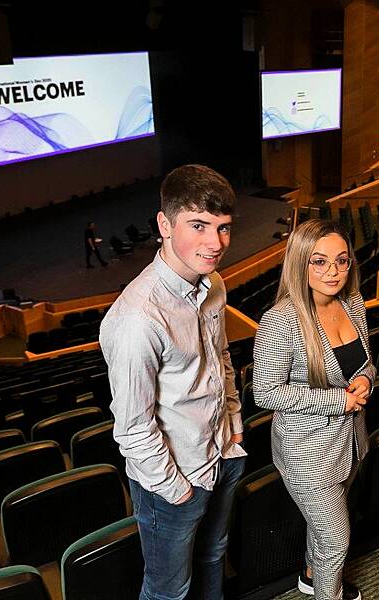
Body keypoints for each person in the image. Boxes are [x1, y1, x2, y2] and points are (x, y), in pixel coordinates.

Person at [99, 164, 244, 600]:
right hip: (176, 480)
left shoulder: (213, 283)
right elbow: (133, 429)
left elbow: (220, 357)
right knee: (168, 591)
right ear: (164, 224)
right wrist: (177, 489)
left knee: (214, 555)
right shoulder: (136, 319)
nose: (215, 243)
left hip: (223, 452)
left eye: (223, 228)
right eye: (198, 226)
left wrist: (234, 423)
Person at [253, 219, 375, 600]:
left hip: (349, 443)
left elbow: (367, 362)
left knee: (323, 531)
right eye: (319, 262)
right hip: (306, 453)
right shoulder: (280, 321)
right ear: (300, 263)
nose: (333, 272)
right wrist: (338, 401)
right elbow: (265, 393)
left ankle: (310, 573)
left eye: (341, 260)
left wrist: (367, 380)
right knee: (337, 542)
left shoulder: (352, 302)